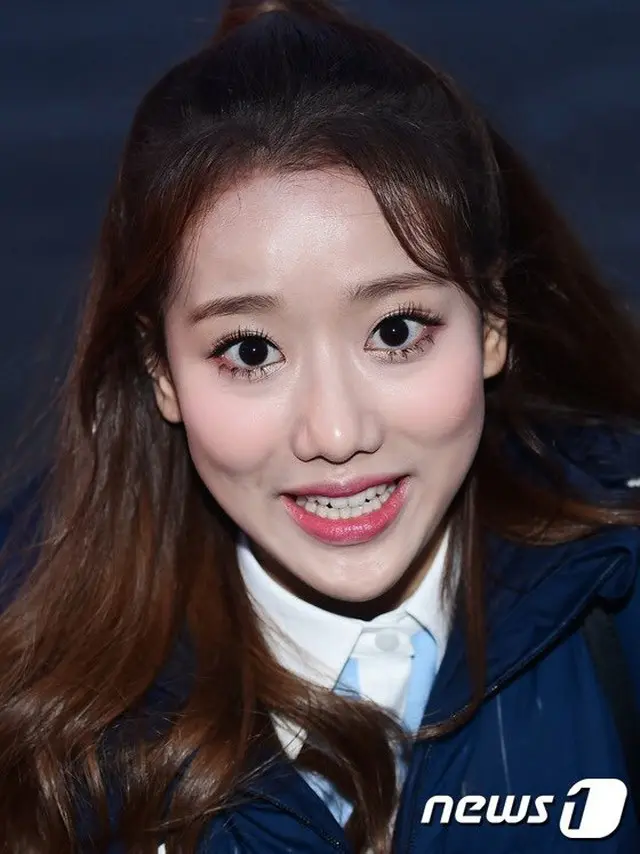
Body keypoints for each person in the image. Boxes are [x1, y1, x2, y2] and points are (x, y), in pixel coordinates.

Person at [1, 0, 639, 851]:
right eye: (251, 351)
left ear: (492, 322)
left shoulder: (619, 604)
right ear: (160, 371)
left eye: (396, 332)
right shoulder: (27, 701)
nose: (336, 435)